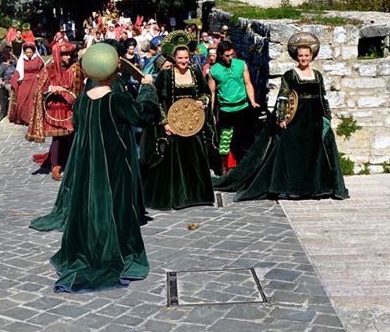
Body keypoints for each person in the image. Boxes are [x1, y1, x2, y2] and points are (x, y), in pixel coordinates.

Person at [29, 43, 159, 293]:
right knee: (118, 207)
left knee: (93, 206)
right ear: (113, 71)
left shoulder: (81, 102)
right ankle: (116, 251)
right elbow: (143, 116)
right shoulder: (117, 99)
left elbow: (79, 127)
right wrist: (147, 90)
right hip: (115, 166)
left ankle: (89, 246)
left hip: (88, 166)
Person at [214, 33, 349, 202]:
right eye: (300, 55)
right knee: (295, 155)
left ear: (311, 56)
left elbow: (323, 97)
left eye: (306, 55)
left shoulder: (317, 75)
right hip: (296, 120)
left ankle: (315, 188)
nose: (303, 58)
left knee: (313, 154)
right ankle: (294, 188)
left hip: (313, 120)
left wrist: (326, 117)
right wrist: (282, 119)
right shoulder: (290, 75)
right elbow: (284, 98)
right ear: (296, 57)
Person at [140, 31, 216, 210]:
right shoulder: (166, 76)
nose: (183, 61)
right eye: (180, 58)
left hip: (194, 125)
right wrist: (165, 122)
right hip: (174, 126)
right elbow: (157, 100)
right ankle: (178, 197)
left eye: (186, 58)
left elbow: (206, 93)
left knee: (195, 159)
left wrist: (202, 101)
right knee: (175, 162)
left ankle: (196, 196)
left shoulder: (196, 73)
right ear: (174, 57)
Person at [26, 42, 83, 180]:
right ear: (58, 55)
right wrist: (52, 88)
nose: (68, 57)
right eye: (65, 54)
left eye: (69, 54)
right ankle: (55, 167)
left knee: (71, 136)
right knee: (57, 138)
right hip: (55, 110)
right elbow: (40, 90)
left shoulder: (75, 68)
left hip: (70, 108)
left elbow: (80, 86)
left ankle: (71, 163)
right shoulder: (49, 70)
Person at [208, 40, 259, 174]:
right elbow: (212, 93)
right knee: (225, 141)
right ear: (220, 54)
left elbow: (248, 83)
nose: (230, 58)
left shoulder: (241, 64)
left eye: (232, 54)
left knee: (244, 140)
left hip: (243, 108)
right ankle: (224, 170)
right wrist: (211, 113)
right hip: (226, 111)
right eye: (227, 55)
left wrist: (252, 101)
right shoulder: (213, 71)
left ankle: (245, 170)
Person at [8, 42, 44, 125]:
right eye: (27, 52)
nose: (28, 54)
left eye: (30, 52)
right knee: (21, 100)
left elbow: (43, 70)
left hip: (35, 81)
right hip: (24, 82)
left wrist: (39, 76)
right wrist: (15, 80)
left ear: (33, 52)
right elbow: (18, 71)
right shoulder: (22, 60)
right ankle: (22, 118)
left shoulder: (38, 59)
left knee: (32, 100)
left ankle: (31, 119)